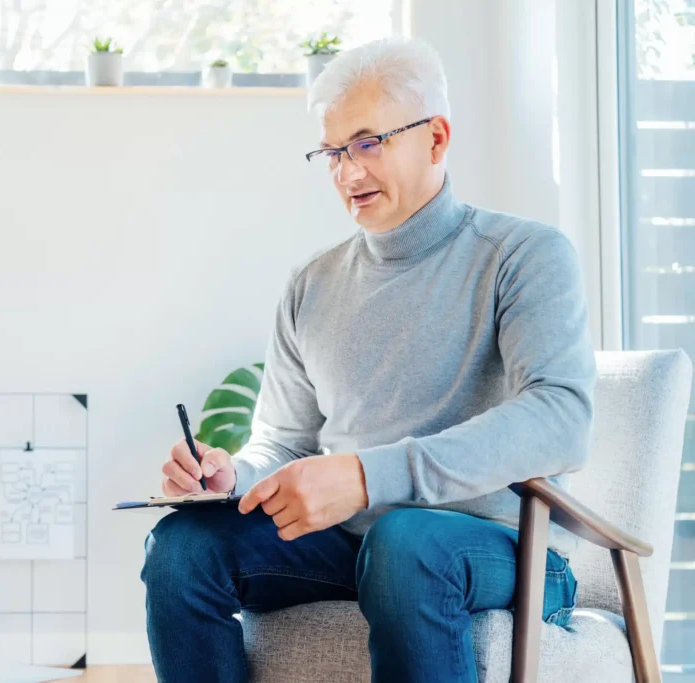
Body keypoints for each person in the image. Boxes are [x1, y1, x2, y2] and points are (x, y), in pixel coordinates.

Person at [141, 36, 596, 683]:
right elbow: (285, 439)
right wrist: (232, 476)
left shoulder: (523, 255)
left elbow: (561, 418)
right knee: (181, 548)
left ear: (435, 139)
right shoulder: (312, 284)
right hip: (354, 544)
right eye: (332, 152)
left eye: (367, 143)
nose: (346, 173)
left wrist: (367, 475)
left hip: (502, 545)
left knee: (405, 542)